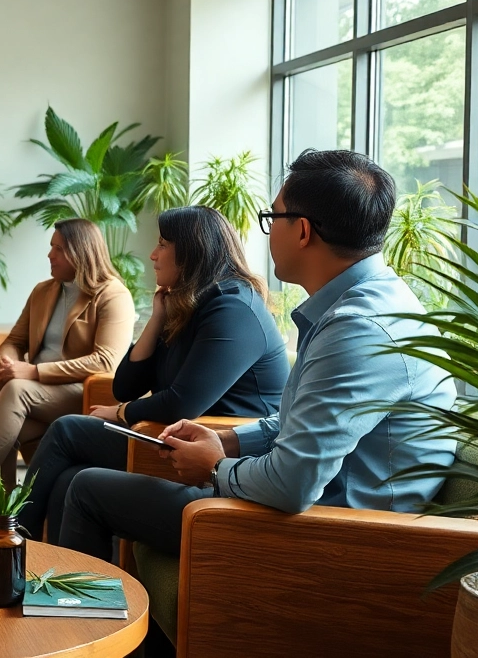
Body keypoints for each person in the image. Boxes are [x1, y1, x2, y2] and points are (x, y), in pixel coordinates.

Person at [57, 149, 457, 561]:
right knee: (82, 476)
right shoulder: (365, 304)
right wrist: (227, 440)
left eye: (273, 217)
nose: (268, 231)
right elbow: (294, 425)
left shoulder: (357, 329)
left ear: (302, 231)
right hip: (318, 507)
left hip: (339, 534)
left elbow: (291, 485)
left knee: (87, 489)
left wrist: (215, 467)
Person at [16, 207, 287, 540]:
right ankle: (41, 560)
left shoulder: (232, 309)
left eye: (162, 244)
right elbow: (125, 385)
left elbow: (181, 403)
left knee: (67, 429)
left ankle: (12, 536)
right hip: (176, 435)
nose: (153, 255)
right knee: (68, 477)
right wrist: (157, 317)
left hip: (218, 448)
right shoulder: (188, 304)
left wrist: (122, 413)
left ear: (190, 252)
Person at [0, 218, 135, 485]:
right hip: (37, 392)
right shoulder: (43, 291)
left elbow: (105, 362)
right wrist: (7, 361)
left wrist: (34, 371)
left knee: (16, 390)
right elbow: (15, 340)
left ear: (81, 252)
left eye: (58, 248)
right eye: (51, 247)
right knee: (5, 433)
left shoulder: (113, 296)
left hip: (81, 391)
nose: (50, 255)